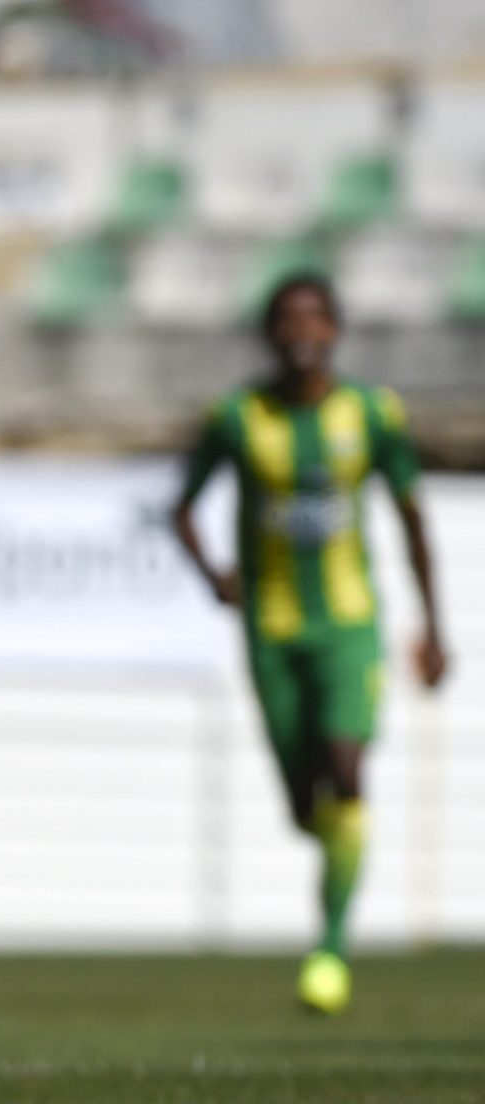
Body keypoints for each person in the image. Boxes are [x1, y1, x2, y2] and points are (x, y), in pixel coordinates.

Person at [171, 272, 447, 1015]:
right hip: (273, 630)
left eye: (314, 318)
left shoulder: (372, 414)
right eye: (287, 319)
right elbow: (182, 509)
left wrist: (433, 626)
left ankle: (330, 949)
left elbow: (414, 517)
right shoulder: (236, 417)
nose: (301, 331)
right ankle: (323, 836)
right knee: (304, 802)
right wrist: (212, 576)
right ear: (269, 334)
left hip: (349, 628)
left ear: (335, 332)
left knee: (347, 770)